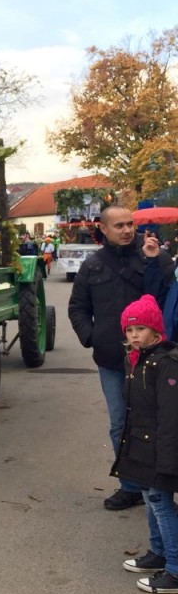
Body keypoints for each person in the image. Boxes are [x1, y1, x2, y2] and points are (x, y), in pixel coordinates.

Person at [68, 205, 175, 510]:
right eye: (119, 226)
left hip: (154, 360)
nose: (127, 230)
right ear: (103, 229)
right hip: (113, 359)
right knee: (120, 423)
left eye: (130, 224)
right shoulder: (92, 266)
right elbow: (77, 308)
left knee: (156, 422)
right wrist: (92, 338)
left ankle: (158, 487)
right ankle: (130, 486)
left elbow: (170, 296)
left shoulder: (152, 255)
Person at [113, 295, 178, 594]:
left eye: (140, 328)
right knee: (151, 500)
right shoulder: (134, 360)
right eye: (129, 329)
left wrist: (167, 460)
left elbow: (170, 416)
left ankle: (175, 569)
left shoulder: (165, 363)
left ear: (156, 331)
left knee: (162, 504)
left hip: (159, 448)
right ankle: (159, 553)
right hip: (141, 446)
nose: (134, 335)